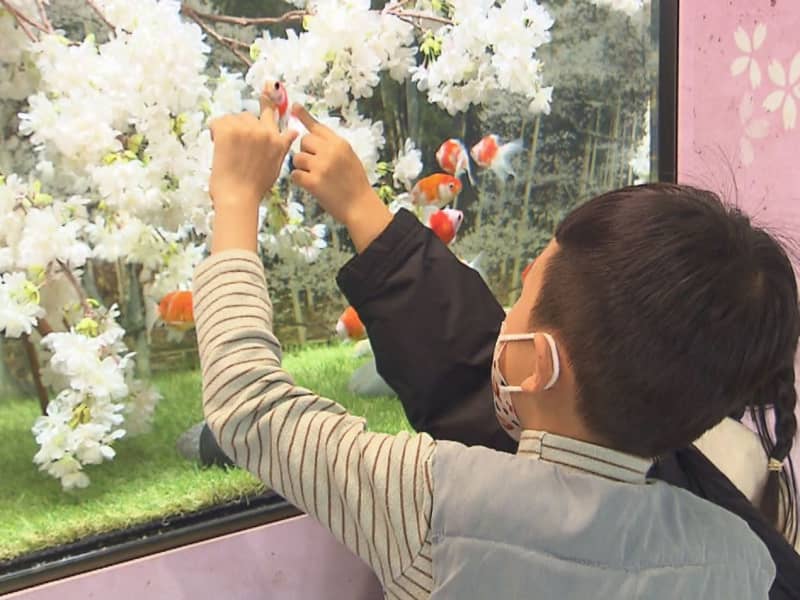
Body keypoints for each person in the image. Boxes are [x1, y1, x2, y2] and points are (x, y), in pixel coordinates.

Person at [192, 96, 792, 598]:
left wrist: (237, 199)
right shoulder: (741, 560)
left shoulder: (430, 501)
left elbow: (250, 406)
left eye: (524, 294)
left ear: (540, 365)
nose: (503, 317)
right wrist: (359, 205)